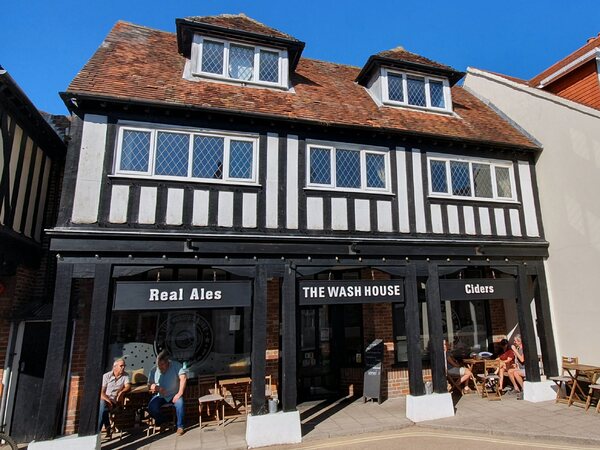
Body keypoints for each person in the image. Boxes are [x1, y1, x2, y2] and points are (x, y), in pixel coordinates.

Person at [148, 350, 188, 435]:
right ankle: (164, 422)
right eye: (159, 365)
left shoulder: (176, 365)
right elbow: (149, 384)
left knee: (180, 404)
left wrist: (179, 393)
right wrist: (157, 387)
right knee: (151, 407)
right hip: (160, 396)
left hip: (174, 394)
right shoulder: (154, 370)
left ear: (168, 363)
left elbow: (183, 378)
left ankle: (180, 427)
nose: (160, 367)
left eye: (162, 365)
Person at [98, 358, 131, 438]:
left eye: (124, 366)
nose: (123, 367)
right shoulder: (106, 376)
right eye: (121, 366)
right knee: (103, 405)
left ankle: (98, 432)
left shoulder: (125, 375)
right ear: (114, 367)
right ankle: (104, 428)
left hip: (115, 402)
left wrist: (122, 392)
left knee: (102, 409)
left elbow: (128, 386)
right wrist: (108, 400)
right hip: (105, 399)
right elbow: (101, 392)